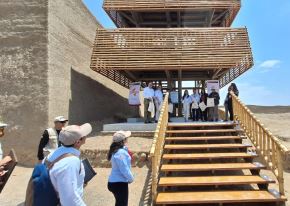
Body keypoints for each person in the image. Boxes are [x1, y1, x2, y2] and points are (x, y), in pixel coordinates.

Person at [47, 123, 92, 206]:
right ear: (78, 141)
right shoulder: (71, 162)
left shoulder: (55, 153)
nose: (86, 136)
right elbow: (69, 199)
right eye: (84, 135)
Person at [107, 131, 134, 206]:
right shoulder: (120, 152)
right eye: (126, 138)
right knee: (122, 204)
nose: (127, 139)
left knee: (119, 203)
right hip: (119, 184)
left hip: (115, 182)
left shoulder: (117, 150)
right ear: (123, 140)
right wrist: (131, 178)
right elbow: (124, 169)